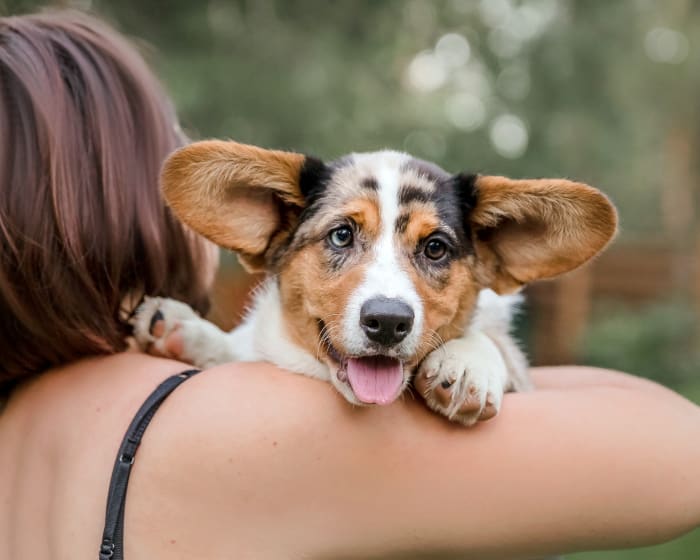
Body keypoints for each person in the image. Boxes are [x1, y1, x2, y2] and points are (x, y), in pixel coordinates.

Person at [0, 9, 698, 560]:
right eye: (341, 237)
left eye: (431, 248)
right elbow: (682, 456)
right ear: (116, 201)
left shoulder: (20, 424)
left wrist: (477, 351)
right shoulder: (273, 431)